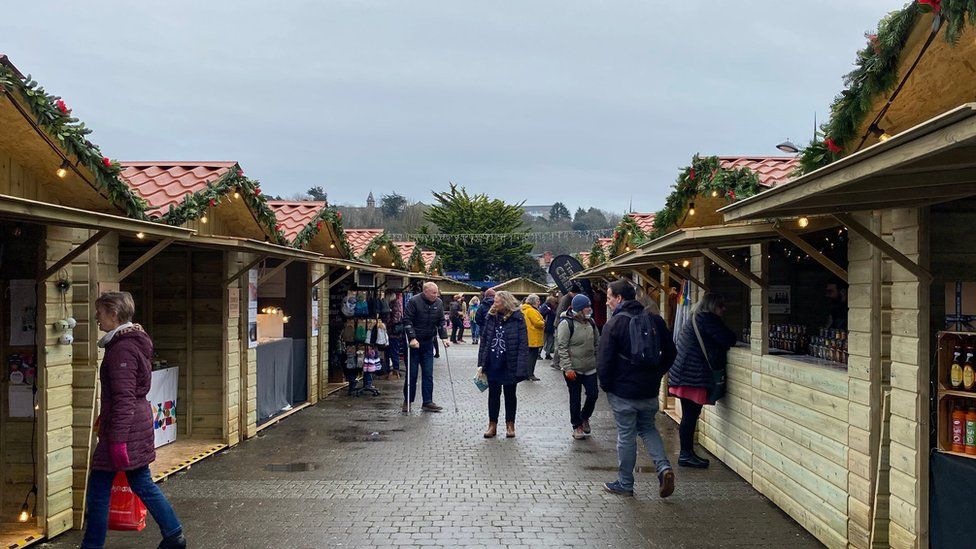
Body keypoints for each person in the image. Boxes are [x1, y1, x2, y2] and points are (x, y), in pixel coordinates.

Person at [83, 292, 186, 549]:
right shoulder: (129, 343)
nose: (97, 317)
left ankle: (92, 545)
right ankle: (173, 535)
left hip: (123, 431)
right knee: (141, 482)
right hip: (130, 425)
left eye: (100, 312)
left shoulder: (122, 349)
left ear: (114, 315)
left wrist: (117, 441)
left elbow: (124, 397)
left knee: (98, 491)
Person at [598, 279, 677, 498]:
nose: (607, 303)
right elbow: (671, 352)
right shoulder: (655, 320)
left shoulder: (613, 325)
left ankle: (625, 483)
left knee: (626, 435)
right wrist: (657, 373)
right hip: (649, 389)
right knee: (648, 428)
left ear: (619, 298)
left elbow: (604, 361)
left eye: (609, 297)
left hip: (622, 391)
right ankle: (663, 468)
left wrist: (607, 387)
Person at [669, 293, 737, 468]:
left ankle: (688, 453)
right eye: (721, 306)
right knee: (691, 416)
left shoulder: (695, 317)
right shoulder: (707, 319)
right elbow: (728, 338)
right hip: (693, 375)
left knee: (689, 416)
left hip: (685, 373)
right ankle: (685, 454)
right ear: (712, 306)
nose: (724, 309)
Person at [478, 291, 530, 438]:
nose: (495, 303)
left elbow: (523, 345)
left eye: (497, 301)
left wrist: (521, 367)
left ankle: (510, 425)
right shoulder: (490, 317)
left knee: (510, 395)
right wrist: (481, 363)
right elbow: (484, 341)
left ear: (505, 303)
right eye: (494, 301)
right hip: (493, 361)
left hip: (510, 362)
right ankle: (492, 425)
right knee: (493, 395)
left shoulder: (518, 318)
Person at [401, 282, 451, 413]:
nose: (436, 295)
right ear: (426, 292)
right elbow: (407, 320)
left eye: (437, 292)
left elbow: (441, 321)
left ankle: (427, 402)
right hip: (414, 344)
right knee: (412, 374)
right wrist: (412, 338)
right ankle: (408, 401)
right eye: (433, 293)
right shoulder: (413, 301)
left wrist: (444, 337)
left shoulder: (438, 303)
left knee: (428, 373)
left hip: (428, 342)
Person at [557, 293, 599, 440]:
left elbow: (597, 344)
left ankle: (585, 416)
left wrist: (598, 361)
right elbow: (561, 347)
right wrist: (568, 368)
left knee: (593, 394)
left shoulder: (591, 323)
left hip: (590, 367)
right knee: (575, 398)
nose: (589, 309)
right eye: (587, 307)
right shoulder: (566, 324)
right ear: (580, 309)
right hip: (573, 369)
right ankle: (577, 426)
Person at [551, 285, 579, 370]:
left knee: (560, 343)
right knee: (561, 343)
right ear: (573, 293)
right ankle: (555, 362)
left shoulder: (566, 297)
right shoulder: (567, 299)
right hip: (560, 323)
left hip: (559, 323)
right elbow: (560, 312)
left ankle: (556, 362)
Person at [521, 294, 545, 381]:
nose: (539, 302)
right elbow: (537, 322)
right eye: (538, 301)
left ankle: (527, 373)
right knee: (532, 357)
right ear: (533, 302)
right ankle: (530, 374)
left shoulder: (525, 309)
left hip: (528, 336)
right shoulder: (531, 310)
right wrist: (543, 322)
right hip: (533, 337)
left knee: (529, 356)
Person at [539, 295, 559, 360]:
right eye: (554, 301)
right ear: (551, 301)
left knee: (549, 341)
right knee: (543, 341)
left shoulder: (551, 307)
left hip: (549, 327)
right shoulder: (546, 306)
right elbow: (540, 314)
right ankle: (539, 354)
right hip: (546, 327)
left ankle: (547, 354)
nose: (555, 303)